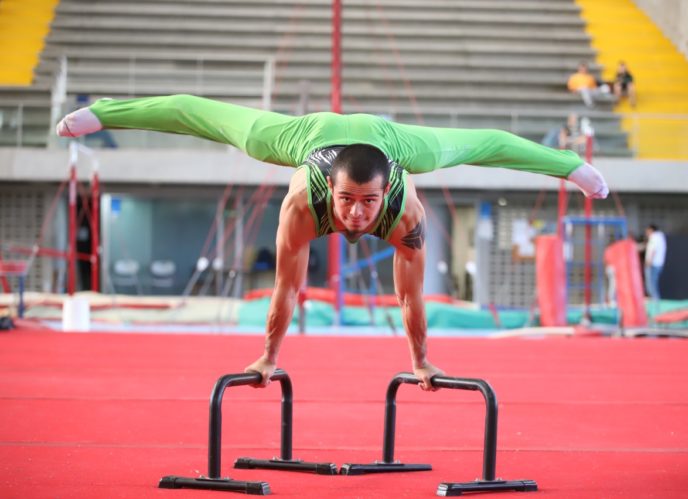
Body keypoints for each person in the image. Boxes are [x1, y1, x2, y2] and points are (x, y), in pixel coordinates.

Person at [56, 94, 609, 390]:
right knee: (204, 117)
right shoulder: (302, 205)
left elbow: (411, 297)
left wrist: (422, 363)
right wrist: (267, 357)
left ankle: (573, 166)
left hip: (392, 141)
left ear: (387, 191)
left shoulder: (404, 208)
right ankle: (100, 109)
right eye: (347, 202)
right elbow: (286, 290)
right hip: (312, 136)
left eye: (368, 203)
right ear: (331, 192)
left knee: (476, 147)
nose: (356, 215)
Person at [644, 224, 667, 300]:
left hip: (653, 264)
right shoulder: (660, 237)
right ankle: (655, 299)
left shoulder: (654, 237)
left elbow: (653, 250)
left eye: (647, 231)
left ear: (651, 230)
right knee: (653, 283)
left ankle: (655, 300)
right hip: (659, 263)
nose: (646, 233)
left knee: (652, 284)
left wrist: (649, 260)